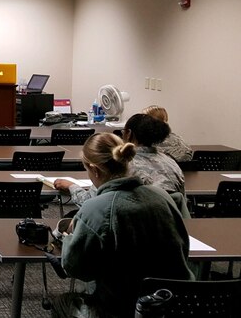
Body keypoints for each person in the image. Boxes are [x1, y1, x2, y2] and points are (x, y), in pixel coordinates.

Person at [53, 132, 193, 318]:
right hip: (173, 304)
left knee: (61, 303)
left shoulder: (96, 209)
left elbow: (75, 268)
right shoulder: (163, 197)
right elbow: (183, 248)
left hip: (122, 307)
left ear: (94, 170)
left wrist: (69, 237)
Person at [54, 114, 185, 209]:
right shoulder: (171, 163)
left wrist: (72, 187)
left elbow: (93, 203)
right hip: (172, 228)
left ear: (128, 134)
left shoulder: (121, 162)